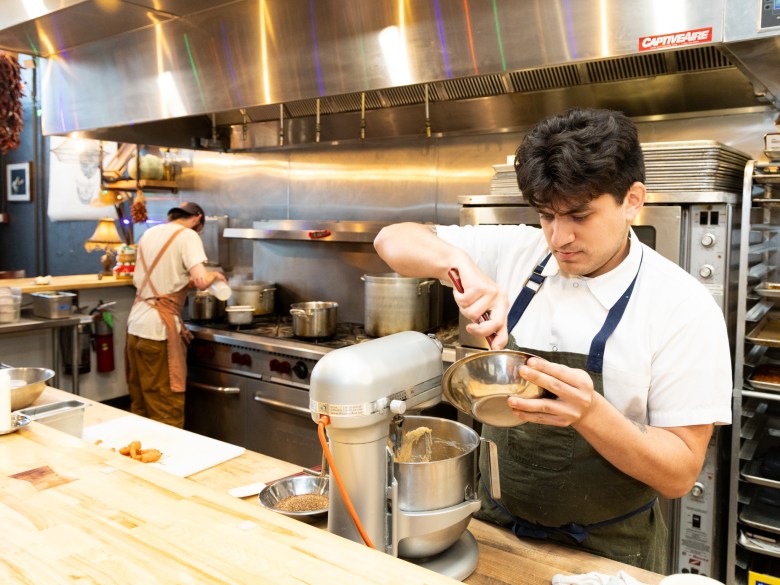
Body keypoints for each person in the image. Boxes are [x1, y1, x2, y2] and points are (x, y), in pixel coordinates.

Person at [373, 108, 732, 572]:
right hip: (491, 534)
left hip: (610, 557)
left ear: (632, 200)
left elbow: (680, 472)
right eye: (547, 215)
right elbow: (391, 239)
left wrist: (591, 414)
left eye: (579, 215)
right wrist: (458, 266)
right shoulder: (520, 252)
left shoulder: (682, 305)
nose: (559, 237)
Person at [125, 202, 227, 428]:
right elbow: (201, 280)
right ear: (197, 219)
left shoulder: (149, 233)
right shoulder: (188, 236)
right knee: (165, 409)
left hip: (135, 326)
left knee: (140, 406)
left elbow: (161, 280)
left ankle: (139, 460)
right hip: (158, 331)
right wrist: (216, 276)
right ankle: (166, 461)